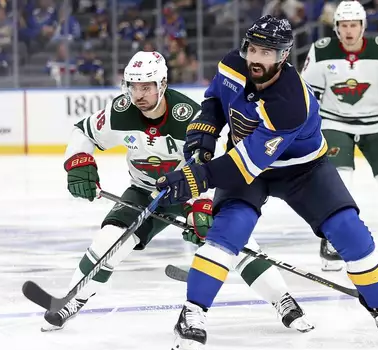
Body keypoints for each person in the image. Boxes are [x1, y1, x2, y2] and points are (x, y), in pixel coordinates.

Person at [154, 15, 378, 350]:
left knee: (348, 230)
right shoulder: (232, 65)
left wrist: (197, 177)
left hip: (302, 170)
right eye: (253, 49)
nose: (257, 58)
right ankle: (192, 312)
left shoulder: (291, 102)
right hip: (248, 165)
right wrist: (203, 133)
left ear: (283, 56)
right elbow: (214, 102)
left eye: (267, 53)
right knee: (227, 233)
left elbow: (248, 162)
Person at [43, 51, 313, 334]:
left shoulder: (189, 116)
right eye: (133, 86)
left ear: (162, 84)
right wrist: (78, 162)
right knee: (109, 240)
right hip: (144, 191)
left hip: (190, 191)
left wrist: (202, 206)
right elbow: (83, 133)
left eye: (146, 87)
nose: (138, 95)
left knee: (232, 241)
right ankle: (72, 300)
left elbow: (212, 165)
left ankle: (283, 299)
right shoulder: (119, 111)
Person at [300, 1, 378, 272]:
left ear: (363, 26)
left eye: (354, 25)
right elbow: (306, 91)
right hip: (335, 122)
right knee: (339, 184)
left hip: (377, 124)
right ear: (336, 27)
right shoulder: (320, 52)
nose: (349, 31)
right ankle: (333, 240)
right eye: (344, 25)